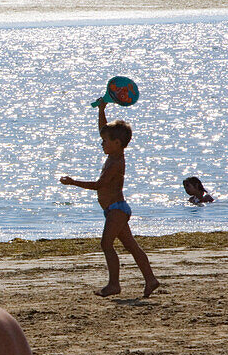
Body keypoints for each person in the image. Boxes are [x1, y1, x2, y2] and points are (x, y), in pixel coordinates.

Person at [60, 100, 160, 298]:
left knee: (106, 245)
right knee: (131, 246)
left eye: (105, 141)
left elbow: (99, 185)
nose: (101, 143)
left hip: (117, 209)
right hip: (115, 210)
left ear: (117, 143)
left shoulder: (116, 162)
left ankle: (114, 284)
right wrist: (101, 109)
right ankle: (151, 280)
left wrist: (73, 182)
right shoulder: (112, 153)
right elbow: (103, 130)